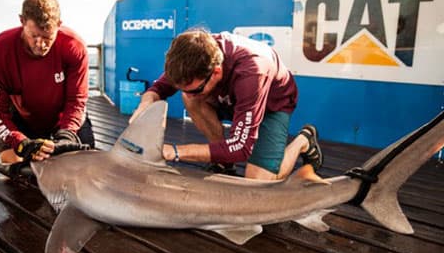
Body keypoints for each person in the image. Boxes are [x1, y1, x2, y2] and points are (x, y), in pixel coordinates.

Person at [130, 29, 323, 181]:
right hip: (232, 98)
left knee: (258, 182)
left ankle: (303, 140)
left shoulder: (252, 71)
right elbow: (161, 87)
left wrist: (175, 152)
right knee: (190, 98)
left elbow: (241, 148)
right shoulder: (194, 55)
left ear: (215, 72)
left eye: (195, 89)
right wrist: (146, 101)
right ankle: (222, 161)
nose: (187, 93)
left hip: (271, 105)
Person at [0, 0, 94, 164]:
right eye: (34, 36)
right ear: (22, 21)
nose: (40, 45)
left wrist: (67, 135)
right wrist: (20, 142)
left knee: (84, 163)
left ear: (59, 25)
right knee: (11, 161)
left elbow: (76, 100)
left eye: (48, 37)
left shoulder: (73, 46)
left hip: (64, 119)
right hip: (23, 119)